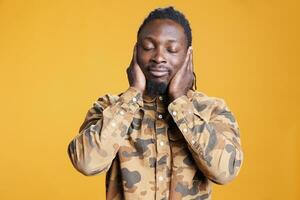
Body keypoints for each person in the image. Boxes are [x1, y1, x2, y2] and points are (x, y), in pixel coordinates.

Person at [67, 6, 243, 200]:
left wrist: (179, 101)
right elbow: (85, 163)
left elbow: (225, 172)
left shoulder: (211, 110)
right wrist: (133, 94)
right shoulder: (109, 107)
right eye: (149, 47)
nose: (159, 58)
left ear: (188, 55)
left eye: (172, 49)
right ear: (135, 52)